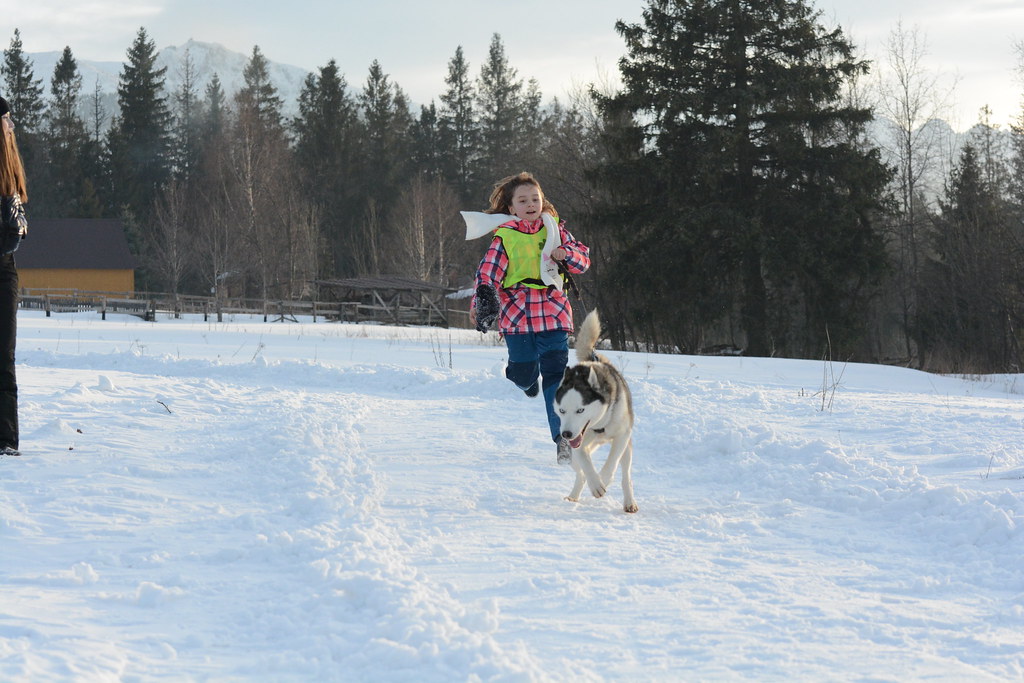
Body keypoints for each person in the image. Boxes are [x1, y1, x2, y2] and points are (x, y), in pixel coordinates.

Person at [470, 172, 590, 464]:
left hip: (553, 312)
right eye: (522, 201)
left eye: (535, 199)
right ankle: (525, 382)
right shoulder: (505, 237)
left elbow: (583, 260)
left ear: (542, 201)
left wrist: (566, 253)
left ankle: (562, 440)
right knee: (523, 373)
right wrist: (480, 303)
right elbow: (487, 275)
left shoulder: (555, 230)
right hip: (517, 316)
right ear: (511, 208)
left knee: (556, 375)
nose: (530, 204)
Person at [0, 96, 28, 456]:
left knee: (4, 356)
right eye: (7, 119)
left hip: (5, 270)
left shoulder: (11, 170)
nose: (12, 125)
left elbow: (17, 231)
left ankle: (6, 439)